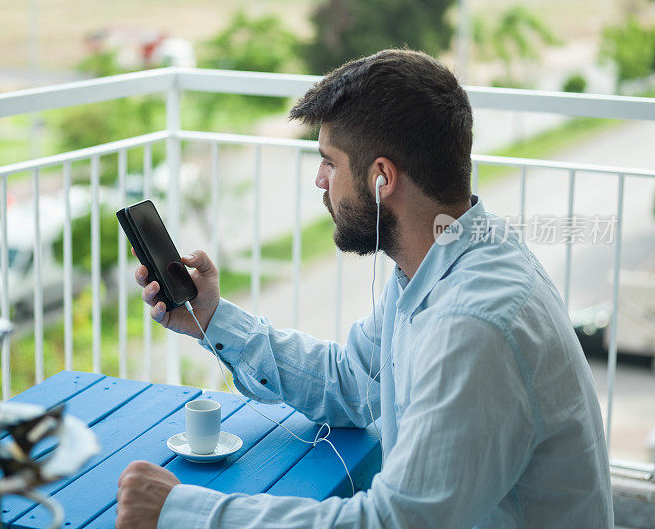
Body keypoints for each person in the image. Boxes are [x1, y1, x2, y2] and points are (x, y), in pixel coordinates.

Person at [114, 49, 613, 529]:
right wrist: (213, 317)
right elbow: (350, 381)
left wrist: (179, 514)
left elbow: (394, 523)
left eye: (329, 162)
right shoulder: (438, 261)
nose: (319, 180)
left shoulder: (474, 325)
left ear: (381, 178)